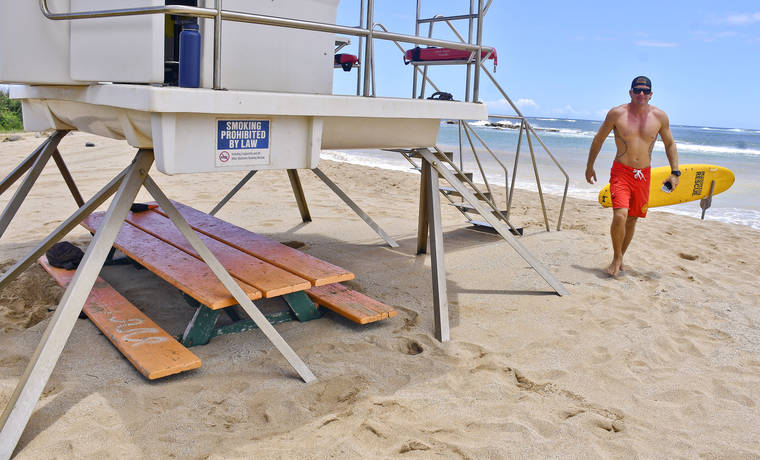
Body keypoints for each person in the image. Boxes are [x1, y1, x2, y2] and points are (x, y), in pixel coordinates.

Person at [585, 76, 680, 277]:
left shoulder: (660, 117)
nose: (641, 94)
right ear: (630, 92)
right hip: (621, 171)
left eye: (645, 91)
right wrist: (590, 165)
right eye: (637, 90)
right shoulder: (617, 113)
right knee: (620, 215)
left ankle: (620, 257)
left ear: (651, 94)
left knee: (632, 219)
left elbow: (670, 143)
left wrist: (675, 172)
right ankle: (616, 257)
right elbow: (599, 139)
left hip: (644, 175)